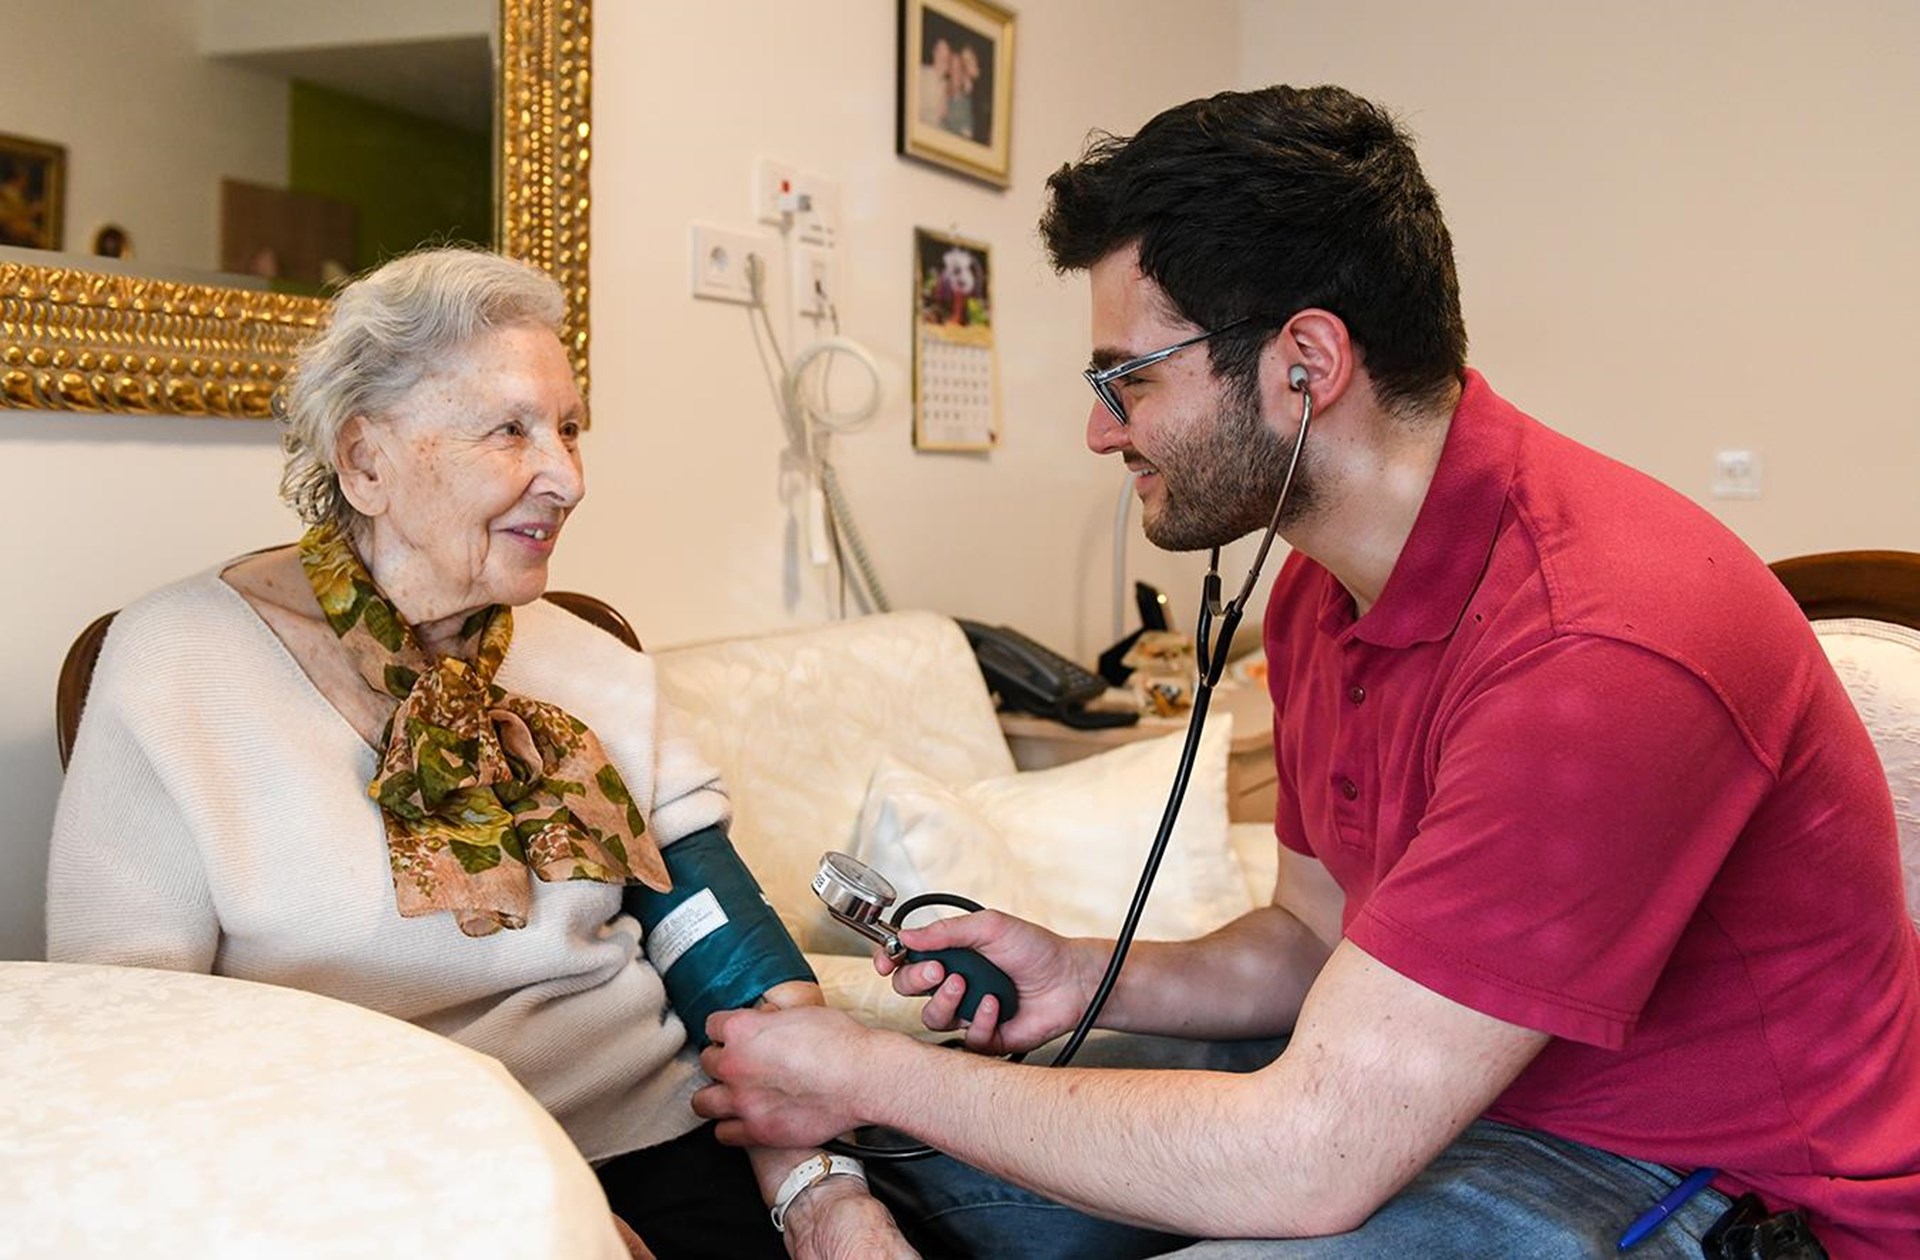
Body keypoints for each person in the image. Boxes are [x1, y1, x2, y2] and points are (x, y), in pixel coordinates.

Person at [691, 86, 1920, 1256]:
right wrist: (1083, 976)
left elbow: (1311, 1153)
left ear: (1305, 363)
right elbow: (1309, 936)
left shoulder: (1599, 642)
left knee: (905, 1108)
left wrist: (872, 1062)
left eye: (1128, 379)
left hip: (1699, 1183)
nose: (1099, 430)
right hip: (1442, 1098)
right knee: (909, 1175)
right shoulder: (1322, 591)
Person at [46, 247, 915, 1260]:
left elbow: (715, 945)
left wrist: (822, 1196)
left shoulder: (593, 663)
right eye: (511, 431)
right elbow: (133, 1046)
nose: (569, 477)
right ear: (366, 461)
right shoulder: (177, 669)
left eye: (571, 427)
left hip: (672, 1138)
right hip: (379, 1188)